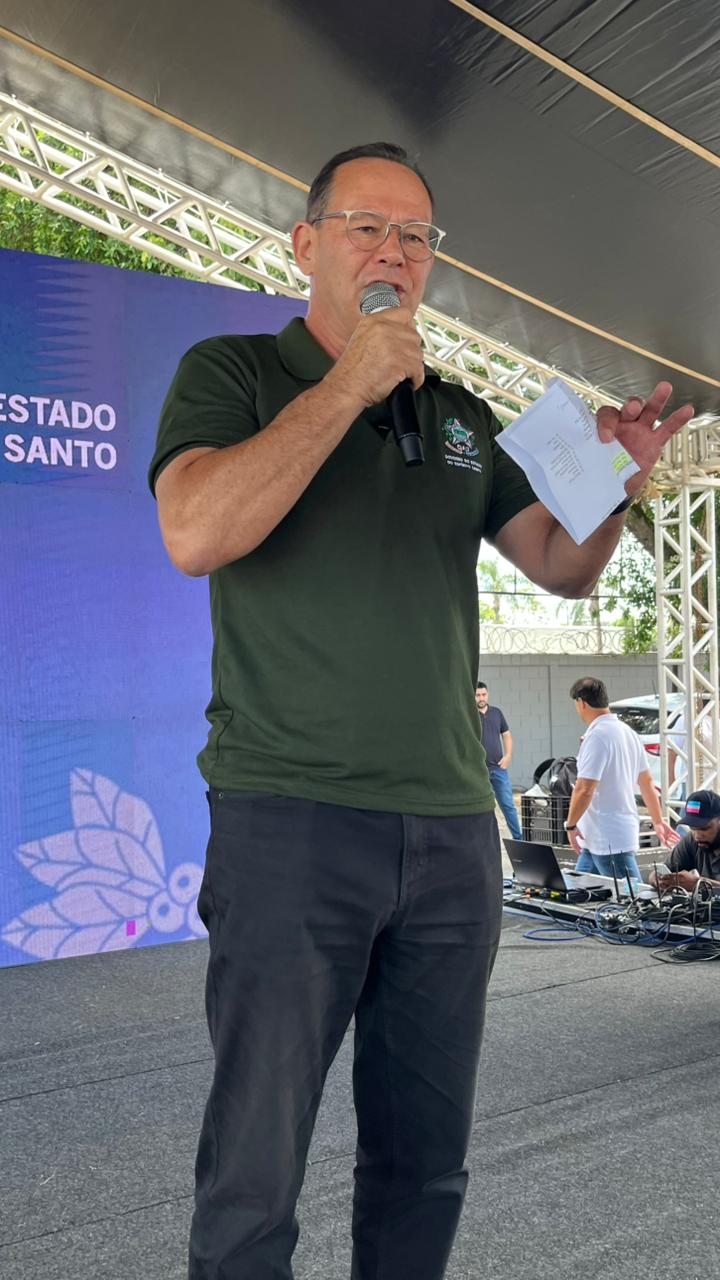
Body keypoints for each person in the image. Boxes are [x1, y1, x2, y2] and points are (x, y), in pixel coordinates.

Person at [149, 140, 693, 1280]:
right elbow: (195, 531)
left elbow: (561, 565)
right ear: (307, 244)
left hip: (448, 834)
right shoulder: (234, 372)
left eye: (416, 236)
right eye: (367, 227)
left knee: (425, 1163)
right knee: (256, 1166)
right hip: (291, 817)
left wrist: (619, 484)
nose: (394, 252)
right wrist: (348, 386)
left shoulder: (458, 413)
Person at [565, 676, 678, 883]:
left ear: (581, 703)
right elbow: (646, 782)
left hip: (606, 838)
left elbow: (585, 788)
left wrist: (570, 825)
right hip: (602, 837)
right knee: (579, 890)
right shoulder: (628, 733)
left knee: (633, 896)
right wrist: (657, 820)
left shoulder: (596, 736)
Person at [475, 681, 523, 839]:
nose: (481, 698)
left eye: (484, 694)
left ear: (487, 694)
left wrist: (508, 755)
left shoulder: (497, 713)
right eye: (478, 695)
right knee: (481, 809)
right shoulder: (469, 714)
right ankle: (484, 842)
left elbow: (506, 734)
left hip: (498, 769)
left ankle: (519, 840)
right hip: (478, 771)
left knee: (508, 806)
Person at [649, 790, 720, 892]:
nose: (697, 836)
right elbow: (665, 870)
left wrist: (699, 884)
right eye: (692, 828)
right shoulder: (692, 840)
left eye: (704, 828)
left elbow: (697, 884)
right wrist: (657, 878)